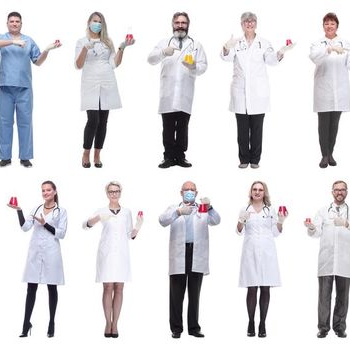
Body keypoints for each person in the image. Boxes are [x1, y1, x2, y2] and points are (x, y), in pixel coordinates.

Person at [0, 12, 59, 168]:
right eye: (11, 21)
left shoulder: (29, 40)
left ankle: (25, 157)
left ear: (21, 24)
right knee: (4, 122)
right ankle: (5, 157)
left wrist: (47, 50)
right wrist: (12, 42)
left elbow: (38, 61)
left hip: (24, 87)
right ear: (7, 23)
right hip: (5, 86)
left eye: (17, 21)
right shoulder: (1, 38)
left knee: (25, 122)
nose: (14, 23)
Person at [222, 12, 290, 169]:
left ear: (256, 24)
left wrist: (281, 51)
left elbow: (272, 61)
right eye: (246, 21)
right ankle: (244, 159)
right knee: (242, 130)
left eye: (252, 21)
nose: (249, 24)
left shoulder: (264, 43)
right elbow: (225, 57)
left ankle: (255, 160)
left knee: (257, 129)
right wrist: (226, 47)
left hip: (258, 94)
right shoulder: (236, 43)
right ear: (241, 24)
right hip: (240, 92)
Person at [309, 13, 350, 168]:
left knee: (334, 124)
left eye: (332, 23)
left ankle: (331, 153)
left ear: (337, 26)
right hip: (323, 90)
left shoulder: (346, 44)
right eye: (326, 23)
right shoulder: (317, 44)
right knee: (323, 124)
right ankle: (324, 155)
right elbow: (314, 58)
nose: (329, 26)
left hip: (340, 90)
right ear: (323, 26)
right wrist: (328, 49)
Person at [305, 180, 350, 338]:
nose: (339, 192)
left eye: (342, 190)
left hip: (344, 261)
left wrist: (347, 223)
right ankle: (323, 328)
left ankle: (339, 327)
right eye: (336, 190)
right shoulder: (323, 211)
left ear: (347, 192)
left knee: (342, 296)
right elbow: (316, 231)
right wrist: (311, 227)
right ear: (332, 192)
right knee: (323, 296)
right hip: (326, 260)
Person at [158, 181, 220, 338]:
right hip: (179, 253)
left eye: (192, 190)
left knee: (194, 293)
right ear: (181, 192)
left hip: (196, 253)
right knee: (176, 294)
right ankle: (176, 329)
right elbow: (162, 221)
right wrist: (178, 212)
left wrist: (210, 206)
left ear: (197, 193)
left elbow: (216, 221)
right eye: (187, 190)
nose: (190, 192)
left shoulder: (203, 209)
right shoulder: (174, 208)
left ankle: (194, 328)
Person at [9, 180, 68, 337]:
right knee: (31, 289)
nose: (45, 193)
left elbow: (62, 233)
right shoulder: (36, 208)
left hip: (51, 253)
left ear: (55, 191)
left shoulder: (61, 211)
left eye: (48, 190)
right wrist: (19, 210)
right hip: (35, 253)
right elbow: (25, 227)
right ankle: (25, 324)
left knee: (52, 288)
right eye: (43, 190)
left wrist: (45, 224)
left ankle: (51, 323)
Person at [83, 181, 142, 338]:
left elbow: (130, 235)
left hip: (122, 254)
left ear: (120, 192)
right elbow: (85, 225)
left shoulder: (127, 212)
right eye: (111, 191)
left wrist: (138, 226)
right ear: (107, 193)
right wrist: (97, 219)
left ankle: (115, 324)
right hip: (106, 253)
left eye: (116, 191)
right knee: (107, 287)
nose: (114, 194)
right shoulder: (101, 210)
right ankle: (107, 323)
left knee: (119, 288)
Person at [149, 12, 208, 168]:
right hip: (167, 93)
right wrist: (163, 52)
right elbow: (150, 59)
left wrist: (193, 66)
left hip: (185, 92)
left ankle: (180, 157)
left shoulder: (196, 45)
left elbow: (204, 66)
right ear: (172, 24)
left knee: (182, 126)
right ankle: (168, 157)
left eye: (183, 23)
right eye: (177, 23)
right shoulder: (164, 42)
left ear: (188, 25)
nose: (180, 25)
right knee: (167, 127)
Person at [76, 12, 132, 169]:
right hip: (90, 83)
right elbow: (78, 65)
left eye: (100, 22)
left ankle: (97, 154)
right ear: (89, 22)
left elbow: (115, 63)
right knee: (93, 120)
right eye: (95, 21)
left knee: (103, 121)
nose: (97, 24)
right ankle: (86, 152)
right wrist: (85, 49)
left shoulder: (107, 41)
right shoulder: (81, 41)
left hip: (107, 82)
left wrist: (122, 47)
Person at [236, 181, 286, 337]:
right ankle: (251, 322)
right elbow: (238, 232)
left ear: (265, 193)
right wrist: (241, 220)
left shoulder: (270, 209)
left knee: (265, 287)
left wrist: (280, 221)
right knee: (252, 287)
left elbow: (275, 233)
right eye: (255, 189)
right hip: (250, 251)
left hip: (267, 251)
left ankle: (262, 323)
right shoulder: (244, 209)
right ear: (251, 192)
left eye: (260, 190)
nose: (257, 192)